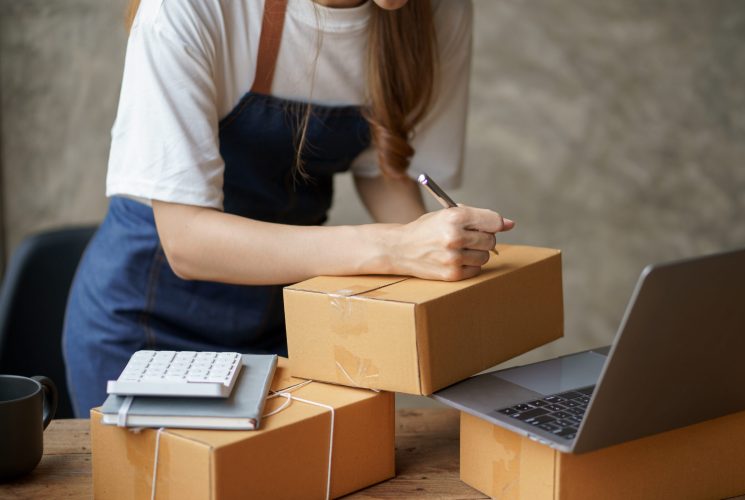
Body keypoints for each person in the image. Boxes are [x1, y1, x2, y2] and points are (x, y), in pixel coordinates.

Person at [63, 0, 514, 417]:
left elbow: (383, 168)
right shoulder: (191, 8)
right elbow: (187, 243)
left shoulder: (434, 11)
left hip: (287, 320)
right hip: (149, 329)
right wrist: (396, 247)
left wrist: (441, 266)